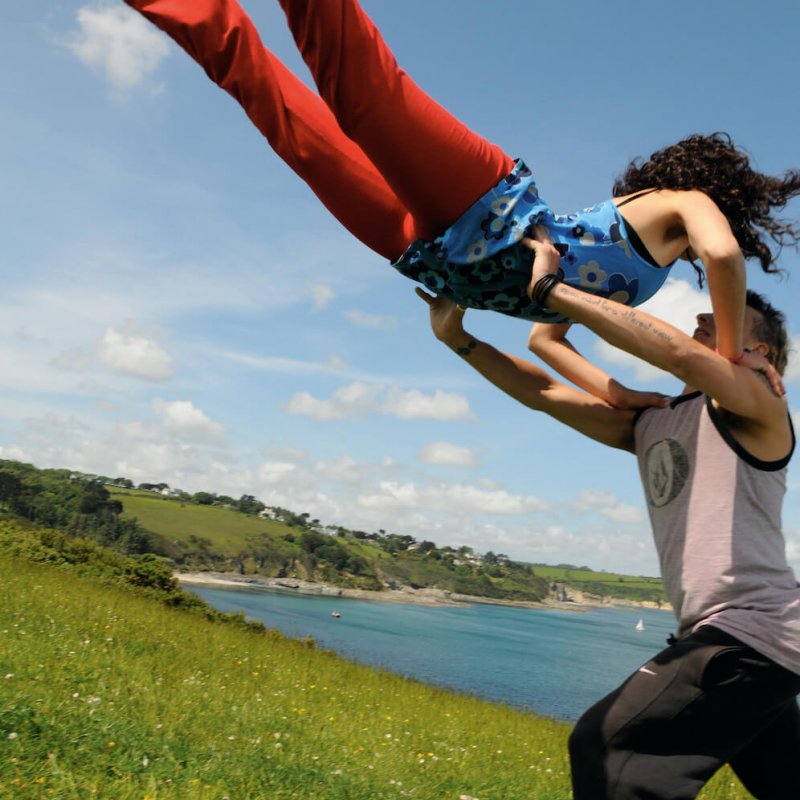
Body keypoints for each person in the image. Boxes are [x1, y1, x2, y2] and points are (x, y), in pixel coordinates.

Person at [123, 0, 800, 408]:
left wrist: (616, 393)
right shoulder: (684, 203)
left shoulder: (646, 274)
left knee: (275, 112)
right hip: (488, 208)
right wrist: (731, 357)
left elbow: (545, 335)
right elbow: (721, 254)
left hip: (435, 259)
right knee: (360, 89)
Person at [418, 239, 799, 799]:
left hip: (751, 634)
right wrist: (459, 339)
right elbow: (546, 383)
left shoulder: (761, 406)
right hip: (740, 640)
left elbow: (680, 356)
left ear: (759, 351)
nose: (700, 316)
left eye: (721, 317)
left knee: (609, 748)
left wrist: (553, 289)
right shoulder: (651, 422)